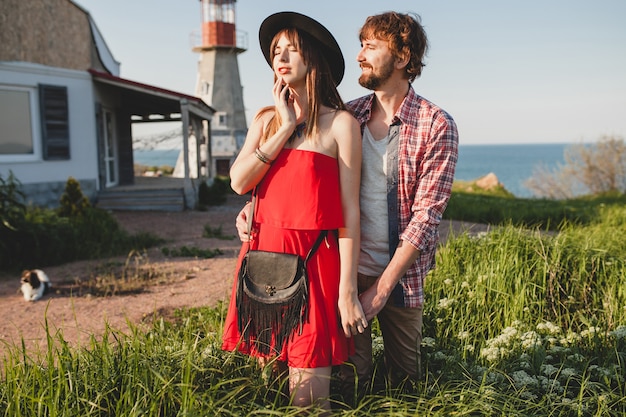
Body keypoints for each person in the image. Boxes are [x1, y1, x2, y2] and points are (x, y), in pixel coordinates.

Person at [236, 11, 459, 398]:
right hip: (340, 269)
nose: (360, 55)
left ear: (402, 57)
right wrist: (255, 206)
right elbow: (301, 180)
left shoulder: (435, 124)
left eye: (370, 47)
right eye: (360, 45)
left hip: (398, 278)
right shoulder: (350, 113)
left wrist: (382, 288)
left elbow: (427, 216)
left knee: (403, 382)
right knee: (348, 384)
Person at [221, 11, 367, 411]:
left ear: (313, 59)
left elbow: (349, 212)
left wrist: (347, 290)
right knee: (268, 389)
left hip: (314, 267)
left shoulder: (341, 125)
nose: (280, 58)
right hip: (263, 264)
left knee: (307, 399)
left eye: (292, 49)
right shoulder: (267, 120)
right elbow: (238, 182)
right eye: (275, 51)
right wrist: (285, 126)